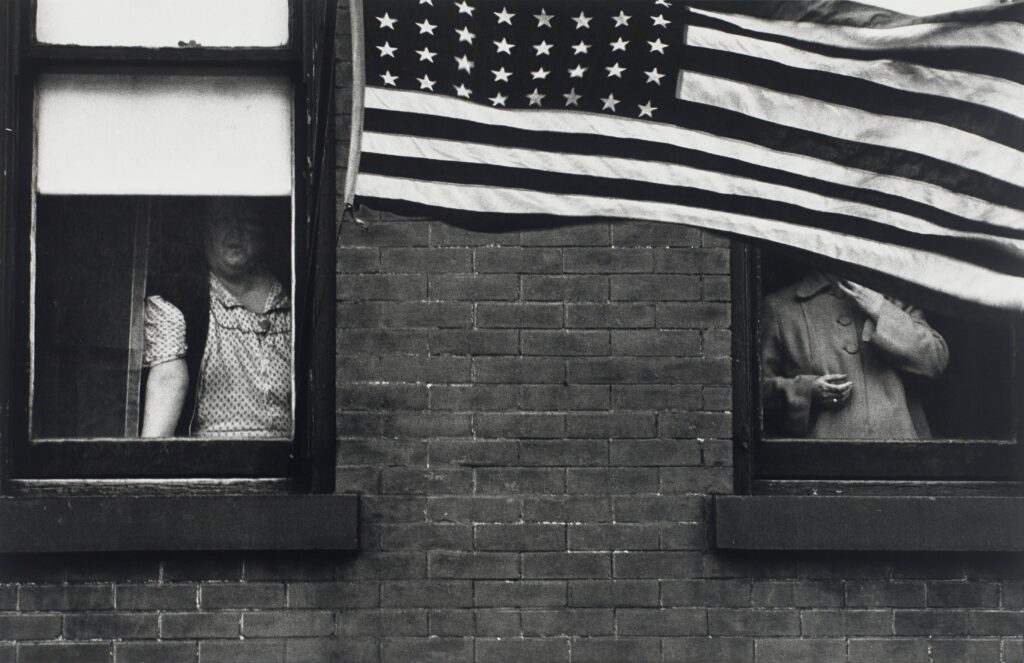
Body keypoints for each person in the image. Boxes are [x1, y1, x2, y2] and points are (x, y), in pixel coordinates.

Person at [140, 199, 291, 437]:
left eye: (247, 222)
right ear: (203, 229)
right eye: (222, 221)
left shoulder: (293, 300)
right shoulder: (180, 302)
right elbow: (168, 380)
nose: (235, 232)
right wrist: (148, 465)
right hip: (213, 463)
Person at [761, 271, 948, 439]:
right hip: (822, 460)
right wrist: (807, 391)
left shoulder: (894, 298)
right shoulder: (781, 307)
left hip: (899, 456)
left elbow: (936, 360)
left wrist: (881, 310)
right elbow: (754, 391)